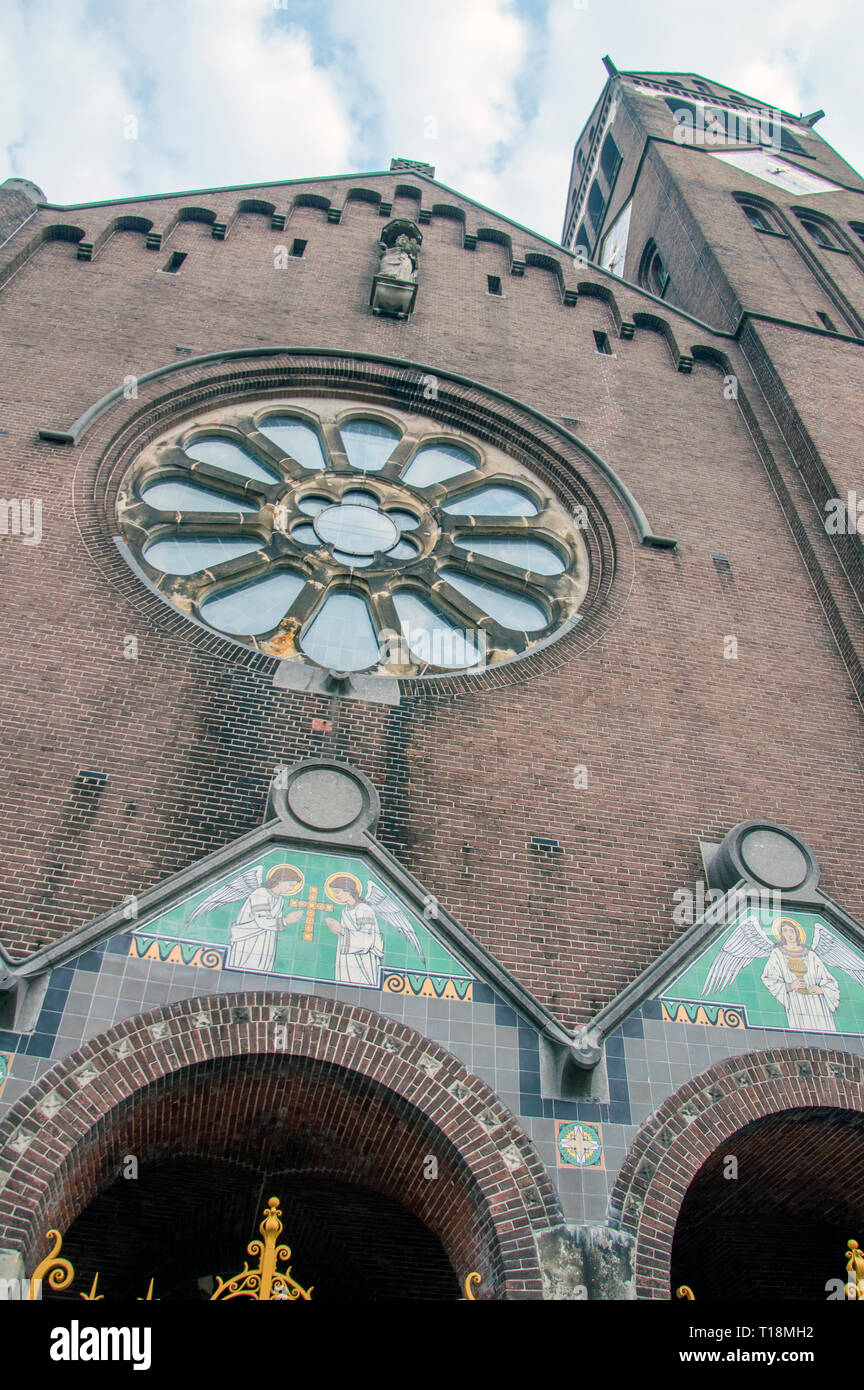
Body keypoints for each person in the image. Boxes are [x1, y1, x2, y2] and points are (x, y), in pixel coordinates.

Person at [761, 916, 840, 1032]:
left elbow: (827, 979)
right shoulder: (777, 954)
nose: (789, 934)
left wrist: (821, 989)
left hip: (817, 1002)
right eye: (785, 931)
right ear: (781, 934)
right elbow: (768, 978)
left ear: (797, 933)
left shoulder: (810, 954)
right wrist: (790, 986)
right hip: (796, 1000)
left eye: (792, 931)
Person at [226, 864, 303, 973]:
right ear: (280, 880)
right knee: (245, 965)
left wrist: (285, 920)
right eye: (290, 885)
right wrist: (286, 921)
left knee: (263, 967)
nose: (291, 888)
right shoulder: (261, 893)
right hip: (249, 938)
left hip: (267, 940)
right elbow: (261, 921)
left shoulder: (279, 899)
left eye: (293, 886)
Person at [324, 875, 384, 986]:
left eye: (337, 892)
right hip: (347, 957)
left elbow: (369, 938)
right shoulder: (345, 910)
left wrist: (341, 930)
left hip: (362, 959)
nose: (335, 896)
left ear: (348, 891)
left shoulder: (363, 909)